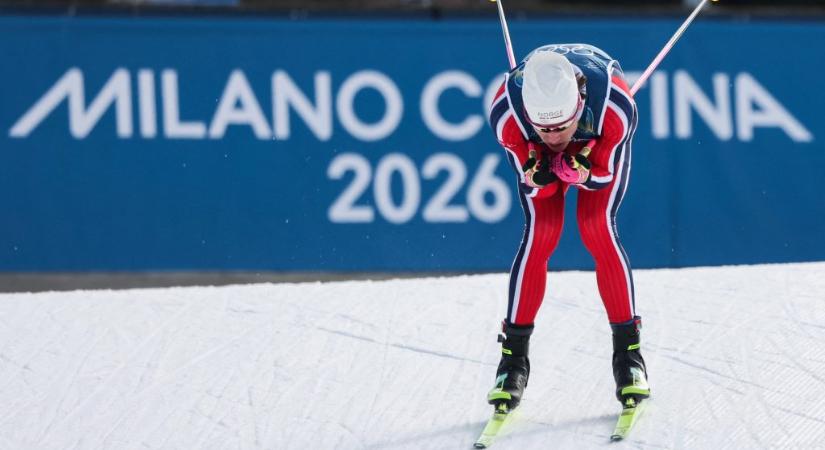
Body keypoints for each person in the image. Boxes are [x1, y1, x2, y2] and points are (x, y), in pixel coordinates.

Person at [486, 44, 649, 412]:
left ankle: (629, 358)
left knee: (597, 227)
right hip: (536, 143)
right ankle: (512, 362)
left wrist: (585, 173)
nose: (555, 137)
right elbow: (533, 187)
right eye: (544, 129)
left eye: (562, 126)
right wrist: (539, 173)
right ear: (530, 116)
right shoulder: (506, 115)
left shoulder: (615, 108)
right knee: (541, 234)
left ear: (578, 105)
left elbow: (604, 174)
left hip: (596, 143)